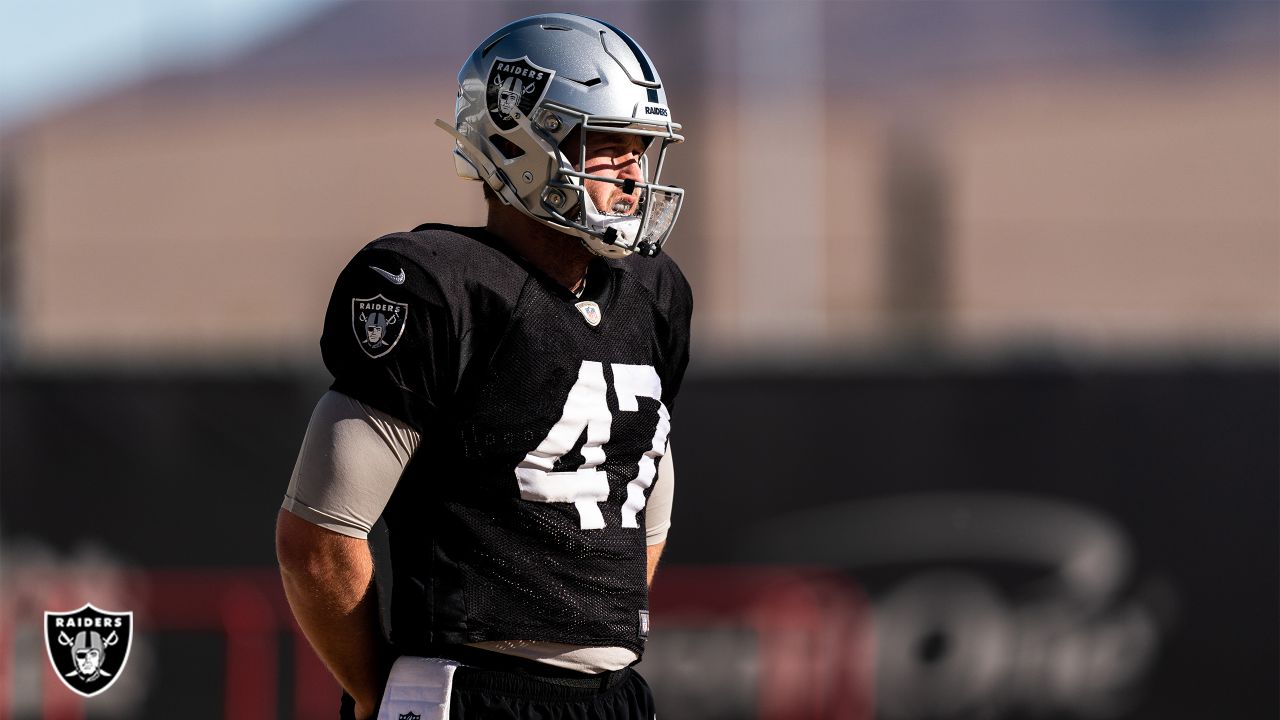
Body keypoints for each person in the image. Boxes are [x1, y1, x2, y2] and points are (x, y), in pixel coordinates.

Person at [274, 13, 691, 720]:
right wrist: (386, 695)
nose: (631, 175)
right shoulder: (440, 290)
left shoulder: (651, 296)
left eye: (640, 151)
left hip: (614, 698)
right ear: (524, 145)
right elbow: (318, 540)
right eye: (608, 147)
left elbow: (643, 501)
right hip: (467, 689)